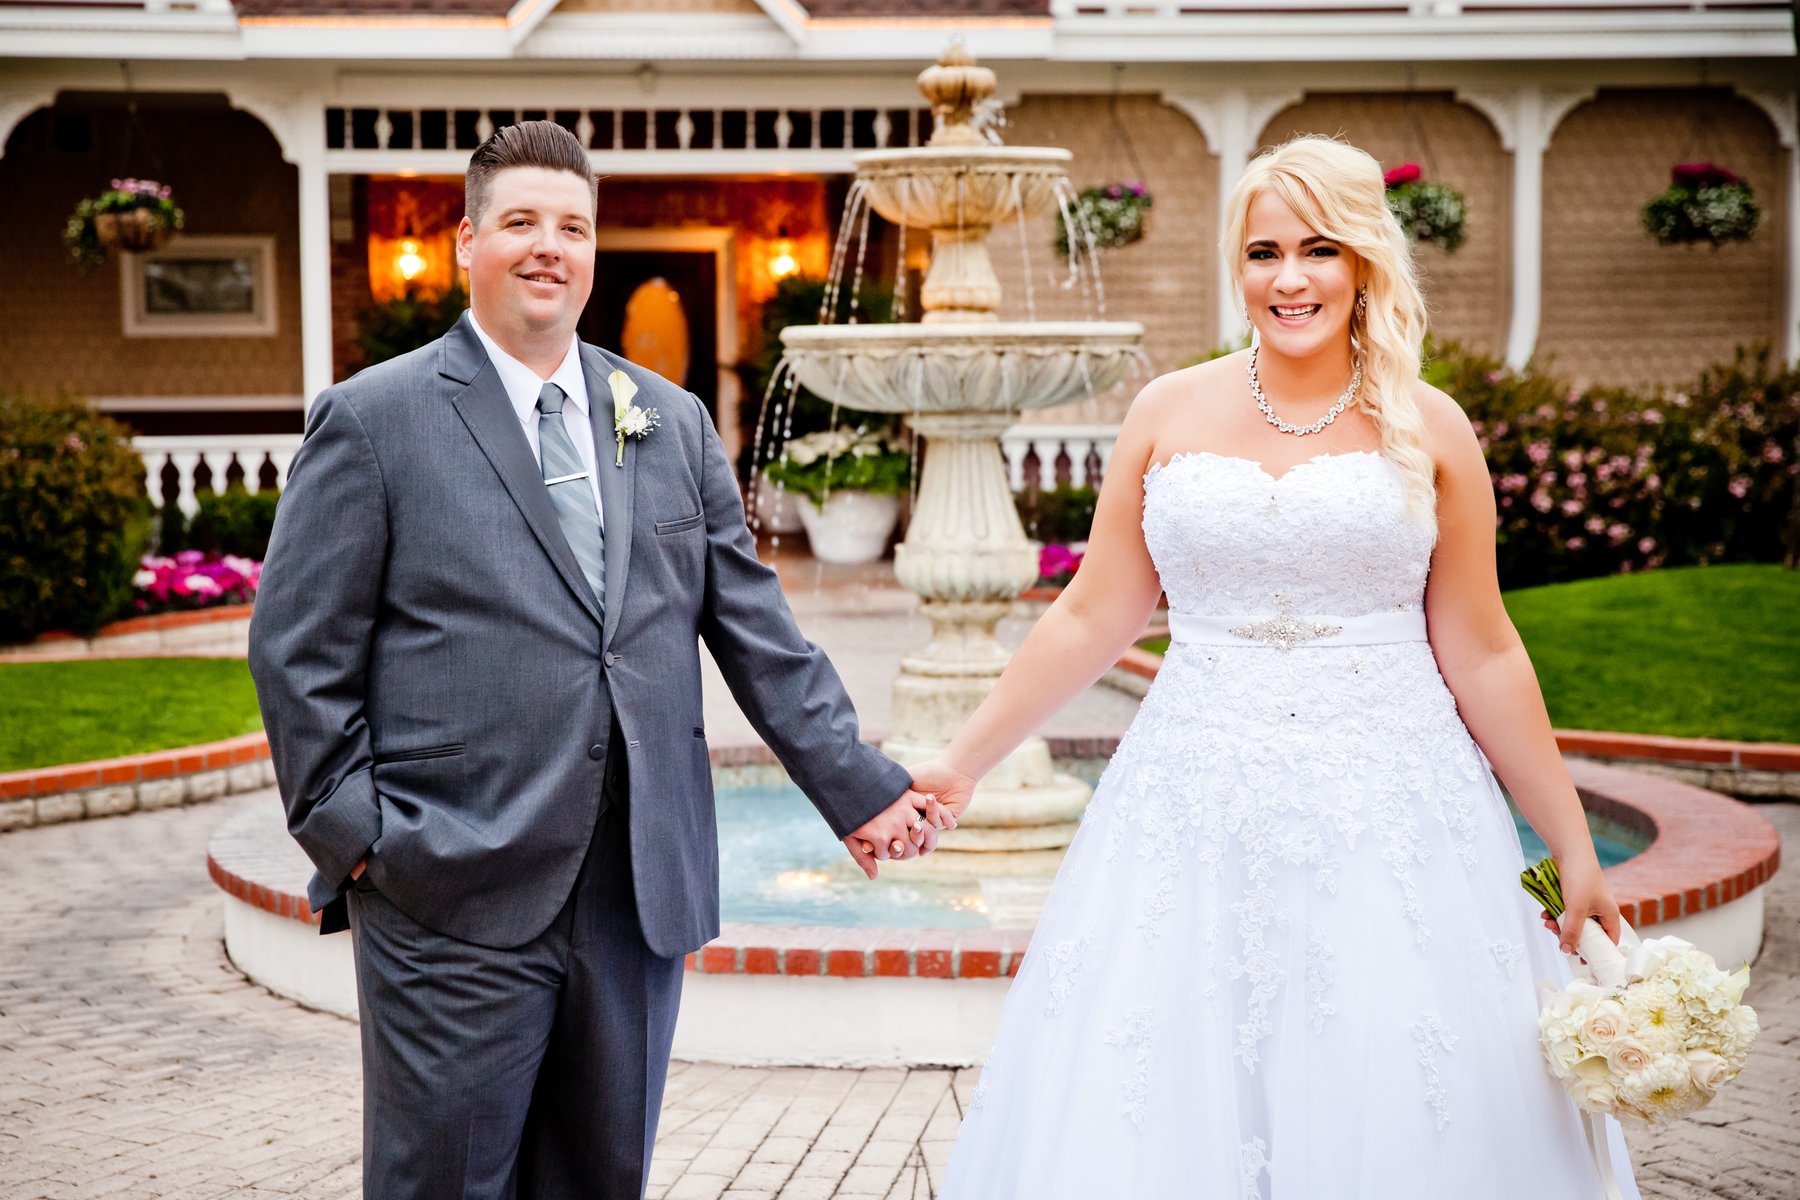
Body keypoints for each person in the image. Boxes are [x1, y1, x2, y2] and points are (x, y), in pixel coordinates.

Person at [907, 135, 1643, 1198]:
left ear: (1364, 262)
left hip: (1392, 807)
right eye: (1264, 253)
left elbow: (1483, 649)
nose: (1289, 279)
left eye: (1319, 250)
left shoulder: (1430, 427)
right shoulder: (1166, 411)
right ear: (1238, 265)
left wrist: (1572, 843)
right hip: (1194, 804)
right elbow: (1094, 612)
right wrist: (962, 762)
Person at [248, 120, 945, 1200]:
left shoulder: (670, 420)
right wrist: (362, 842)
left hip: (635, 889)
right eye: (521, 222)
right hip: (449, 885)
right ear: (467, 240)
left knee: (599, 1182)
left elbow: (755, 627)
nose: (549, 247)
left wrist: (858, 786)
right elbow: (297, 653)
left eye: (572, 227)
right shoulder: (375, 420)